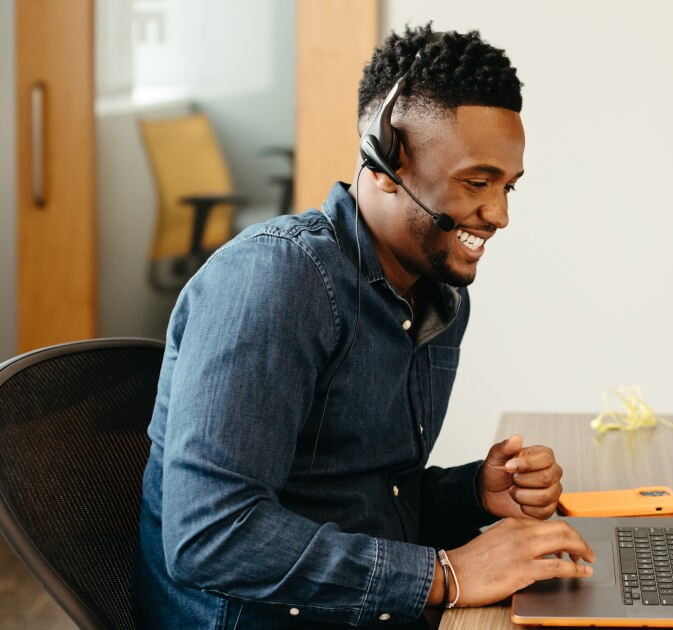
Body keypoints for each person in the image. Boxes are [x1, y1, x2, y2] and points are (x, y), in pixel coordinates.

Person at [132, 24, 595, 629]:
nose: (500, 215)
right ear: (382, 163)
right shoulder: (275, 283)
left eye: (508, 186)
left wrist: (473, 494)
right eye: (477, 183)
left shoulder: (440, 297)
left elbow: (358, 501)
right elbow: (213, 535)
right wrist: (446, 575)